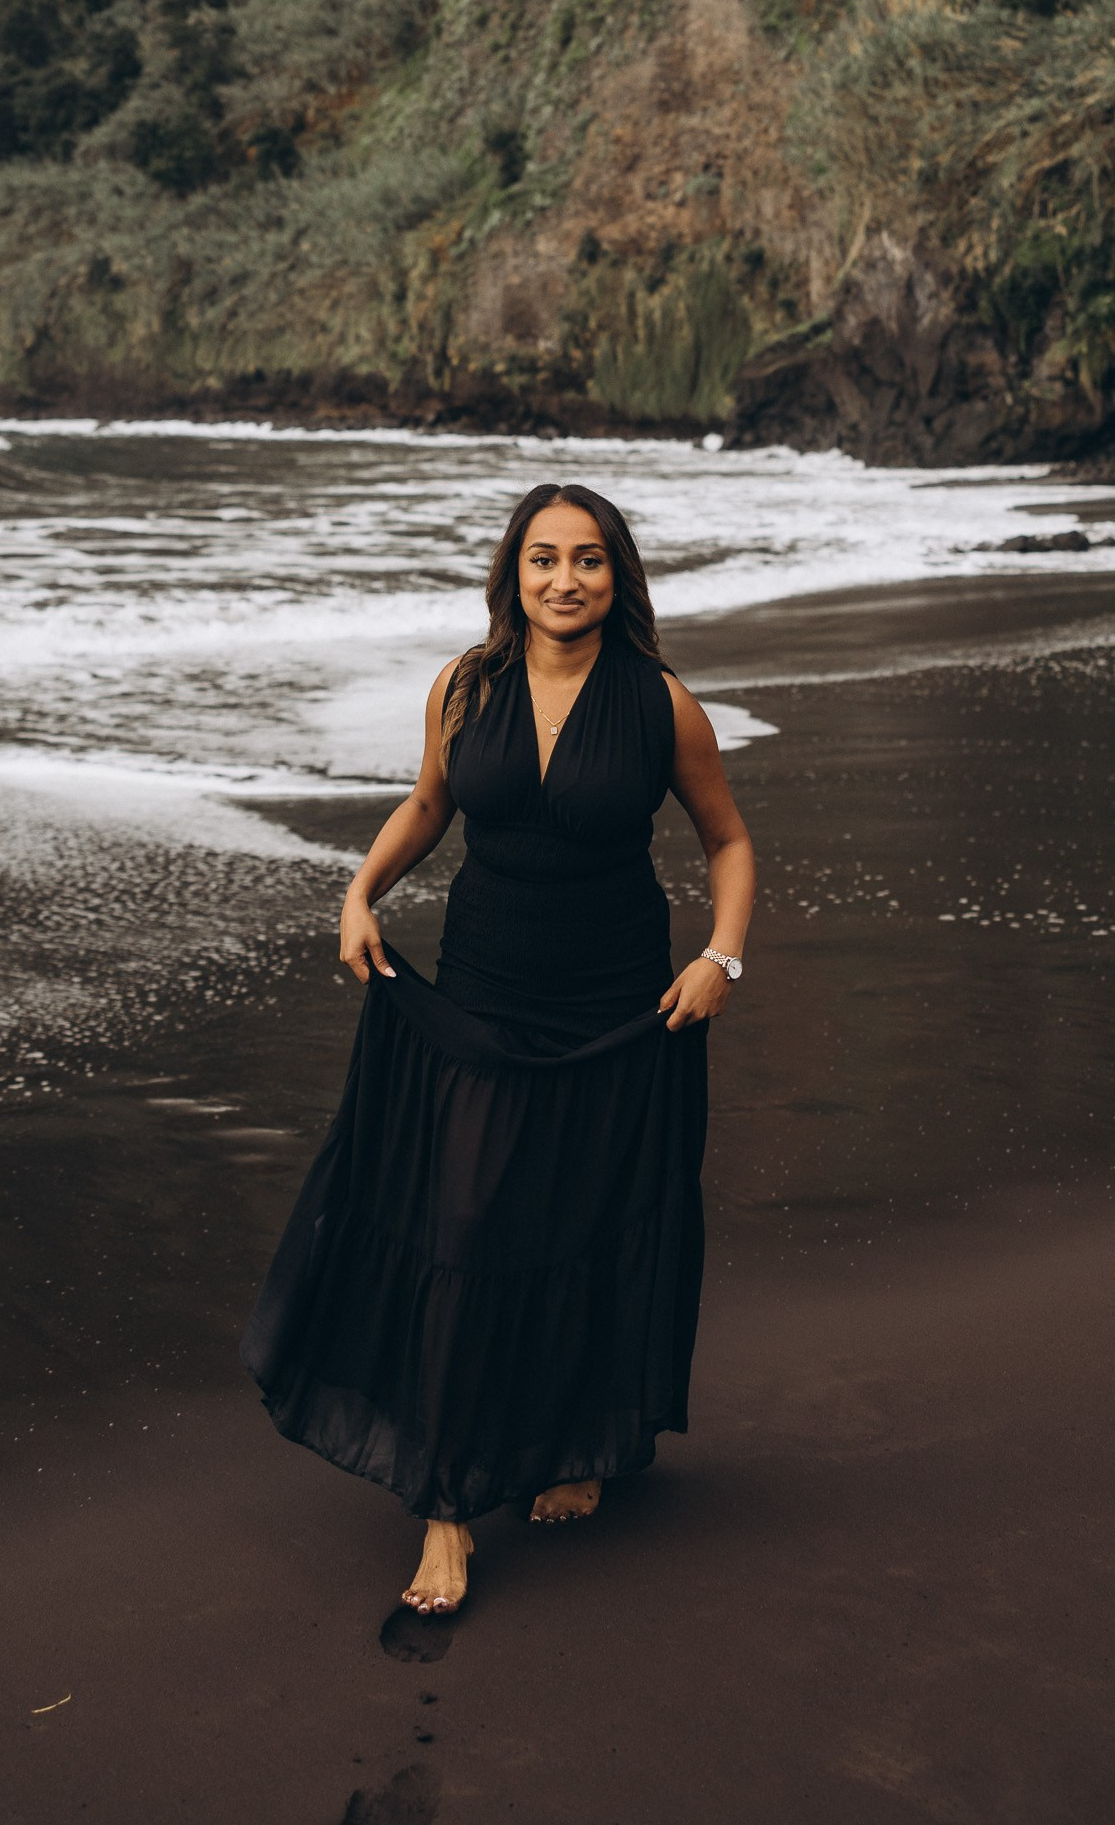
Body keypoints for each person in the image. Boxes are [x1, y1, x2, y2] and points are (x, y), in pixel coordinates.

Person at [242, 482, 757, 1618]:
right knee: (465, 1224)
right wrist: (362, 888)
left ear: (616, 577)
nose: (562, 580)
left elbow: (725, 840)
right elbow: (429, 806)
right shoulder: (463, 688)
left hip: (622, 1003)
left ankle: (575, 1441)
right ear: (510, 574)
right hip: (481, 992)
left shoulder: (661, 703)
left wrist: (718, 959)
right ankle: (442, 1508)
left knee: (583, 1223)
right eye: (541, 559)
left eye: (585, 561)